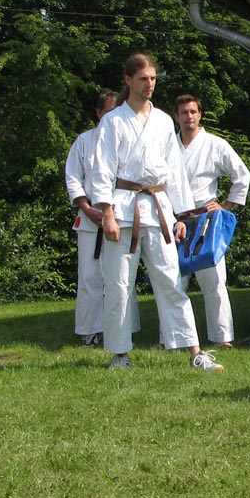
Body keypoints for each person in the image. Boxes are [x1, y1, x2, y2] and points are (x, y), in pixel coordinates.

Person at [91, 53, 223, 372]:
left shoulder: (163, 120)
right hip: (123, 208)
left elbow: (174, 170)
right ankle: (120, 353)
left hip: (159, 209)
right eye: (143, 79)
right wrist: (107, 213)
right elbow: (102, 169)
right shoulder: (113, 121)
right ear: (128, 81)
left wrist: (180, 216)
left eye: (153, 78)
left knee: (171, 280)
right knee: (119, 284)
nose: (149, 84)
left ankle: (195, 352)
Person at [174, 94, 250, 348]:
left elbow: (242, 175)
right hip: (175, 220)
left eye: (193, 112)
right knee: (173, 282)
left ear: (200, 115)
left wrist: (226, 206)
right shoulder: (168, 146)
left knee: (214, 281)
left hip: (206, 219)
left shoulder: (215, 144)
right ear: (177, 117)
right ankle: (174, 338)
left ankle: (222, 337)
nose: (189, 117)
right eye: (184, 112)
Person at [64, 91, 139, 345]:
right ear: (98, 114)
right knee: (89, 277)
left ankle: (124, 329)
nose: (112, 116)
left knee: (122, 276)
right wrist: (88, 209)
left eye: (116, 111)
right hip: (90, 218)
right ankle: (90, 331)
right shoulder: (84, 141)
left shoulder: (127, 139)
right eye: (107, 111)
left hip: (122, 215)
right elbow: (73, 179)